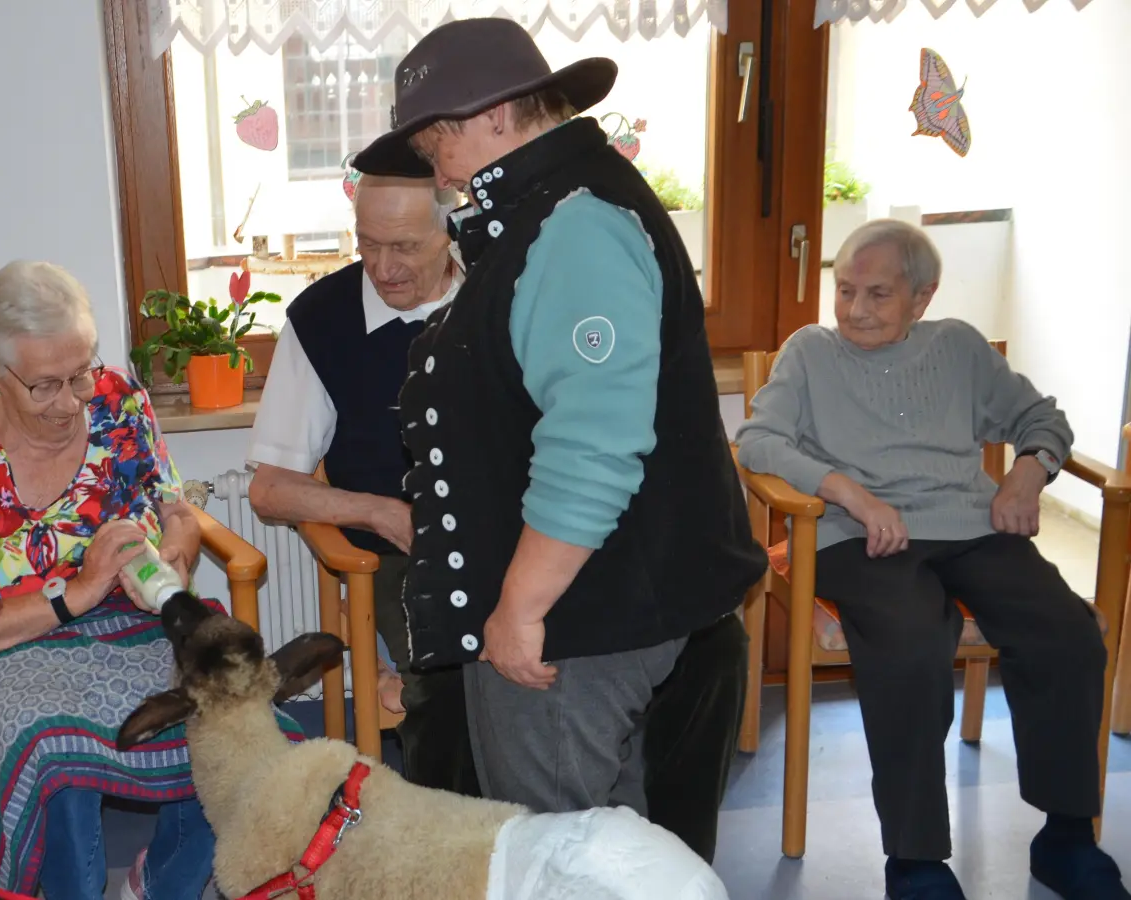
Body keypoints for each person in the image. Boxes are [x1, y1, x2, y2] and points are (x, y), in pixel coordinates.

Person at [350, 14, 765, 860]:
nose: (438, 172)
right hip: (586, 615)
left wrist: (521, 609)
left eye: (436, 146)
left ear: (495, 115)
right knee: (608, 858)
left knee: (554, 855)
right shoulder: (549, 210)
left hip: (580, 626)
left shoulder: (576, 222)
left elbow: (593, 445)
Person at [736, 220, 1125, 900]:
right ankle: (915, 861)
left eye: (878, 294)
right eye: (845, 290)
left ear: (922, 297)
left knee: (1065, 632)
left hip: (968, 526)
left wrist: (1026, 474)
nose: (855, 309)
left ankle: (1066, 837)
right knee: (912, 639)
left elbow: (1043, 418)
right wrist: (850, 494)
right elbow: (759, 441)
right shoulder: (810, 353)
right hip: (851, 536)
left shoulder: (959, 348)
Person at [0, 260, 300, 900]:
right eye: (45, 385)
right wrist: (77, 593)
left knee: (235, 715)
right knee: (55, 753)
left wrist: (174, 553)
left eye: (80, 373)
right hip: (17, 649)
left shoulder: (119, 404)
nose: (72, 402)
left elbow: (177, 509)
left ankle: (161, 885)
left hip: (135, 624)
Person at [247, 174, 478, 795]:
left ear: (449, 229)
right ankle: (454, 829)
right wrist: (379, 512)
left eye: (404, 246)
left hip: (516, 539)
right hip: (407, 555)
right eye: (368, 244)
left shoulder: (501, 291)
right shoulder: (323, 320)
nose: (382, 267)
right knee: (454, 678)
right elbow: (270, 489)